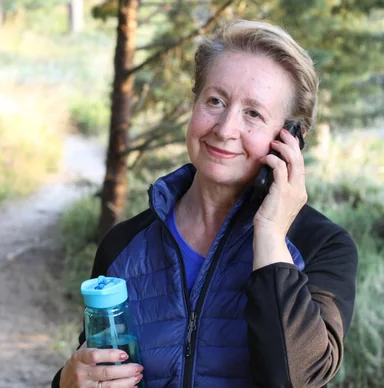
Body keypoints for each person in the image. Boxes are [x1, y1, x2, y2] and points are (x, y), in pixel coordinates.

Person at [52, 19, 358, 388]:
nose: (226, 128)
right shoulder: (124, 245)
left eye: (253, 114)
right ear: (195, 103)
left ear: (291, 137)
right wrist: (67, 382)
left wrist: (272, 235)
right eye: (215, 101)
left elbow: (297, 379)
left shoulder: (323, 247)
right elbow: (96, 368)